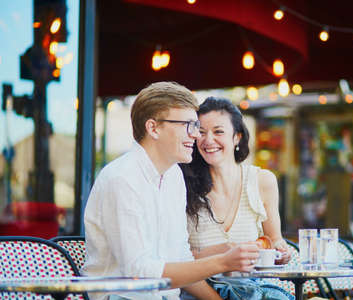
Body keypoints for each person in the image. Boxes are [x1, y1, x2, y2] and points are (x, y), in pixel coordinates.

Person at [82, 82, 259, 300]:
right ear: (153, 128)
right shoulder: (122, 179)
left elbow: (181, 259)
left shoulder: (173, 175)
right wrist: (222, 262)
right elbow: (139, 274)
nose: (196, 135)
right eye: (189, 125)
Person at [180, 97, 293, 299]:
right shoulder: (182, 184)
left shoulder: (263, 181)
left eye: (218, 131)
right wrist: (225, 252)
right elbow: (176, 260)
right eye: (202, 132)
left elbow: (274, 240)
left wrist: (281, 251)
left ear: (237, 137)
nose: (208, 140)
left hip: (250, 290)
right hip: (199, 292)